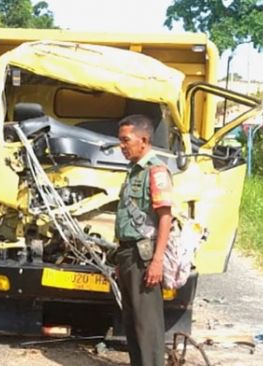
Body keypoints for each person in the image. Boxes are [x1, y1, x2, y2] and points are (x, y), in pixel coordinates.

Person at [114, 114, 173, 366]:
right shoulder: (133, 172)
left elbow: (165, 218)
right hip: (128, 255)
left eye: (126, 140)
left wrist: (157, 261)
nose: (122, 146)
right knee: (133, 323)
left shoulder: (156, 171)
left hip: (144, 257)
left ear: (144, 140)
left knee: (147, 327)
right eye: (120, 141)